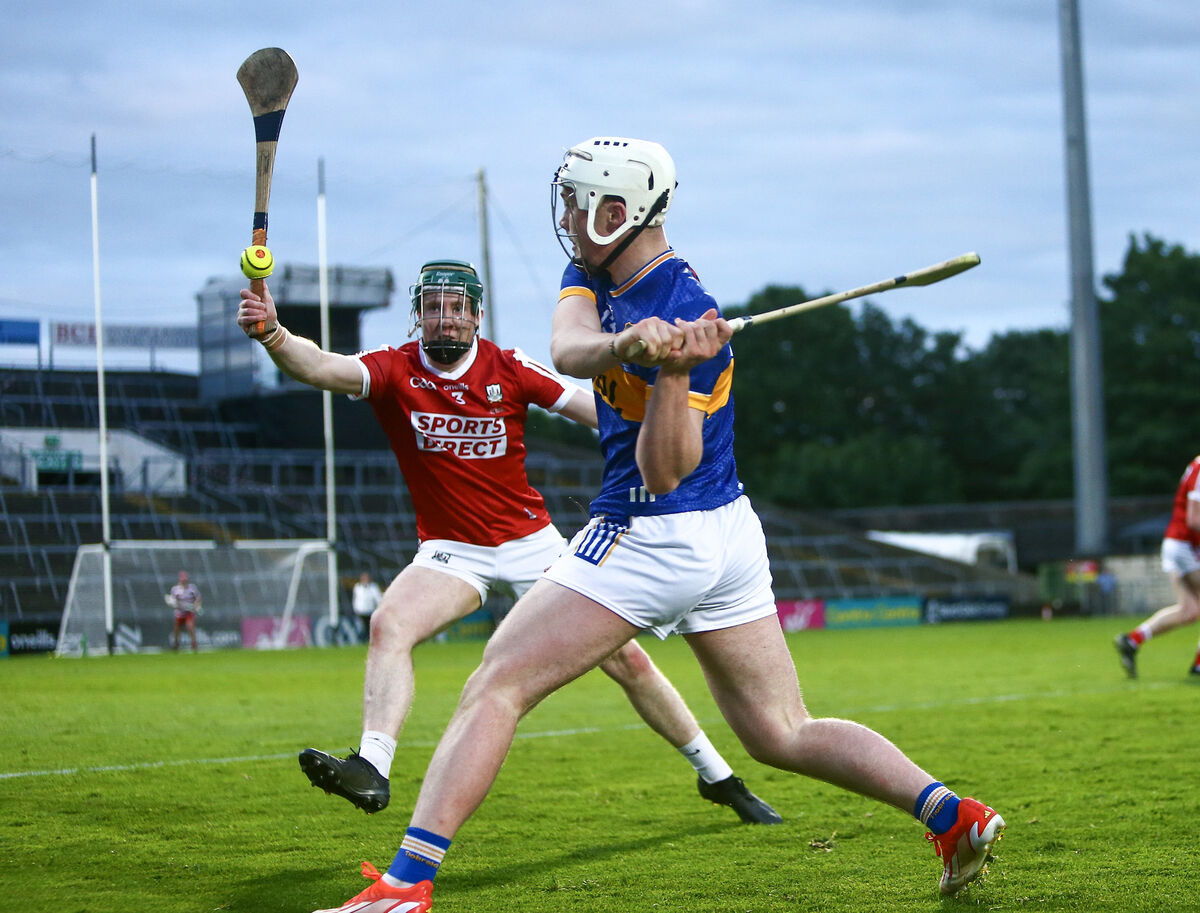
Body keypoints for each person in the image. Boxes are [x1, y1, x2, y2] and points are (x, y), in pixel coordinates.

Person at [309, 138, 1005, 913]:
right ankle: (953, 815)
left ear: (617, 212)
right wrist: (623, 344)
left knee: (495, 684)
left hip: (655, 526)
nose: (566, 215)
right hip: (728, 534)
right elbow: (570, 347)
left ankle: (405, 887)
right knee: (779, 731)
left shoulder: (687, 317)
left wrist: (672, 370)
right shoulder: (597, 268)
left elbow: (663, 469)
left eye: (577, 202)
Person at [236, 258, 779, 826]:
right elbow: (322, 367)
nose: (444, 320)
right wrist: (274, 334)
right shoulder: (395, 370)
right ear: (416, 316)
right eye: (432, 309)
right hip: (451, 548)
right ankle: (372, 765)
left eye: (455, 309)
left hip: (530, 541)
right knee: (389, 624)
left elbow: (590, 409)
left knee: (628, 663)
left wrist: (673, 427)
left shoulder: (509, 367)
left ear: (476, 315)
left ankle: (719, 776)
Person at [1114, 453, 1200, 678]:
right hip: (1185, 546)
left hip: (1180, 544)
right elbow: (1194, 519)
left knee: (1189, 611)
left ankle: (1132, 640)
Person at [167, 570, 200, 652]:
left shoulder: (192, 588)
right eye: (183, 579)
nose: (184, 581)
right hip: (180, 612)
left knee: (190, 626)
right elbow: (173, 601)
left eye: (185, 579)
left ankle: (194, 644)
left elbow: (198, 598)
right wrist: (176, 604)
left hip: (189, 611)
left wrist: (195, 606)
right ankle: (176, 644)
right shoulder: (175, 589)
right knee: (177, 628)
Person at [351, 571, 383, 640]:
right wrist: (355, 608)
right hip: (360, 611)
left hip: (370, 611)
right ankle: (361, 640)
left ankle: (368, 640)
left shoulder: (373, 587)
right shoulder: (357, 587)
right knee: (361, 627)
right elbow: (356, 599)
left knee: (369, 628)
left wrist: (379, 608)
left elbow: (378, 598)